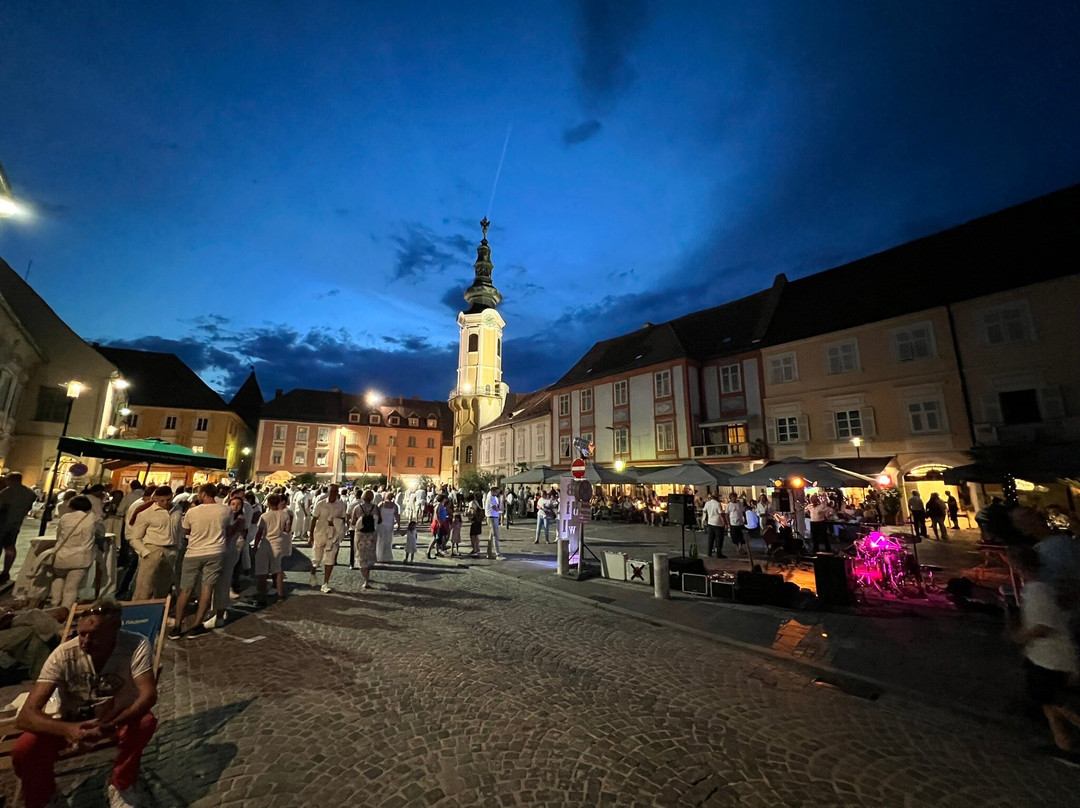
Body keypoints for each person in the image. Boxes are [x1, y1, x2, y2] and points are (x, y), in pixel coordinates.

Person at [13, 598, 157, 808]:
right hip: (71, 722)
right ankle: (45, 796)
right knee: (25, 748)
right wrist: (69, 729)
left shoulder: (135, 645)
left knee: (145, 722)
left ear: (115, 630)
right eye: (82, 634)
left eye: (95, 635)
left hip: (114, 719)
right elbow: (26, 715)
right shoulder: (63, 654)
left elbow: (148, 695)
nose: (85, 642)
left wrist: (114, 722)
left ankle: (120, 784)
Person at [1011, 548, 1080, 757]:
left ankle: (1066, 744)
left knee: (1056, 704)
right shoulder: (1039, 587)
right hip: (1042, 657)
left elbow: (1044, 626)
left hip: (1051, 658)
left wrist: (1019, 637)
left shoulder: (1037, 591)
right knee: (1048, 705)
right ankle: (1064, 747)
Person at [170, 484, 231, 639]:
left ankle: (177, 626)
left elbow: (186, 530)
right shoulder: (225, 510)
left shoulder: (192, 512)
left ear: (203, 494)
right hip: (215, 552)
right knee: (207, 588)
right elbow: (227, 527)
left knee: (185, 590)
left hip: (193, 552)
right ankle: (197, 625)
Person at [46, 495, 104, 608]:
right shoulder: (93, 519)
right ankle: (65, 612)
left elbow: (59, 536)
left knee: (58, 579)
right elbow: (100, 534)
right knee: (71, 588)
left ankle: (54, 605)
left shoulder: (65, 518)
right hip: (81, 558)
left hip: (62, 556)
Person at [127, 486, 182, 601]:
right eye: (162, 500)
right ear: (156, 498)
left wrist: (178, 546)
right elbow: (135, 537)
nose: (165, 503)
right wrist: (145, 552)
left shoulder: (177, 509)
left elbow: (178, 529)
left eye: (168, 500)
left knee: (163, 586)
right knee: (145, 587)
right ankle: (138, 611)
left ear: (172, 497)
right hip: (152, 548)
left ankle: (157, 611)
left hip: (171, 550)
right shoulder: (146, 513)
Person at [0, 472, 38, 585]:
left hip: (2, 524)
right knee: (10, 547)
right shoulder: (30, 493)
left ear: (10, 480)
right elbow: (29, 506)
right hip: (16, 524)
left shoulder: (7, 492)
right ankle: (6, 571)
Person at [254, 493, 292, 602]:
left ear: (269, 504)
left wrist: (256, 546)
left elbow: (259, 533)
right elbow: (287, 530)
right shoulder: (285, 515)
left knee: (262, 571)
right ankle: (280, 593)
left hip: (266, 543)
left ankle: (261, 593)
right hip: (278, 543)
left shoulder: (265, 516)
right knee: (277, 569)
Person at [310, 484, 347, 593]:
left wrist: (336, 522)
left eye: (335, 491)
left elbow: (344, 519)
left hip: (333, 534)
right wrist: (310, 535)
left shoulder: (341, 505)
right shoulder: (321, 504)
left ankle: (325, 583)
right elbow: (314, 519)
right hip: (320, 533)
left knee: (330, 558)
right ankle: (313, 572)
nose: (333, 493)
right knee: (317, 558)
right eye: (331, 491)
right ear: (328, 492)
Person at [351, 489, 379, 589]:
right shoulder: (375, 507)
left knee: (361, 556)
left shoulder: (357, 508)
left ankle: (365, 578)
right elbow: (379, 520)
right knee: (368, 555)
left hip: (360, 534)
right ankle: (367, 577)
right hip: (371, 534)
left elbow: (353, 522)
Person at [702, 493, 726, 558]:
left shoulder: (707, 503)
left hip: (710, 522)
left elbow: (704, 511)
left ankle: (709, 552)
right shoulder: (718, 504)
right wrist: (725, 523)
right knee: (719, 539)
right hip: (718, 523)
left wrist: (706, 520)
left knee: (710, 539)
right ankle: (719, 553)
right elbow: (721, 514)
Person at [376, 493, 398, 563]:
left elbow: (376, 513)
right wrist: (399, 525)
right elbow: (397, 516)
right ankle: (387, 556)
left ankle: (379, 555)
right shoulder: (395, 506)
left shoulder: (381, 504)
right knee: (388, 541)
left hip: (381, 524)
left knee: (380, 540)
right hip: (390, 524)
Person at [484, 486, 504, 560]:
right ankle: (497, 553)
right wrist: (500, 510)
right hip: (491, 517)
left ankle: (489, 553)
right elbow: (495, 508)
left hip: (494, 517)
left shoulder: (493, 497)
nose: (498, 493)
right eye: (497, 491)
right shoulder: (490, 498)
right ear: (493, 491)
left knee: (491, 536)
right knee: (495, 536)